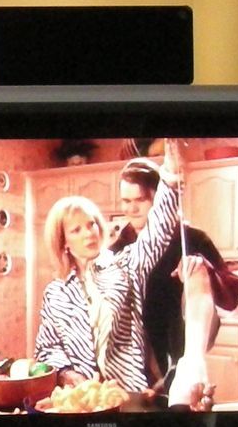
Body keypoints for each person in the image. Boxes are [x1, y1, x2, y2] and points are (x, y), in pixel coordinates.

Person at [33, 147, 184, 393]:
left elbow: (156, 234)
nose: (88, 233)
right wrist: (66, 374)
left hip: (127, 393)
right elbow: (47, 347)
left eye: (91, 224)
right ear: (64, 243)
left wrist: (170, 175)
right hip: (82, 398)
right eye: (76, 230)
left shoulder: (125, 265)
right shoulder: (55, 293)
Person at [110, 156, 238, 400]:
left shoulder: (192, 239)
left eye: (140, 200)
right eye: (126, 201)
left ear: (159, 197)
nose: (131, 209)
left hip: (183, 352)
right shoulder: (118, 247)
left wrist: (203, 268)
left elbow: (231, 297)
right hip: (137, 358)